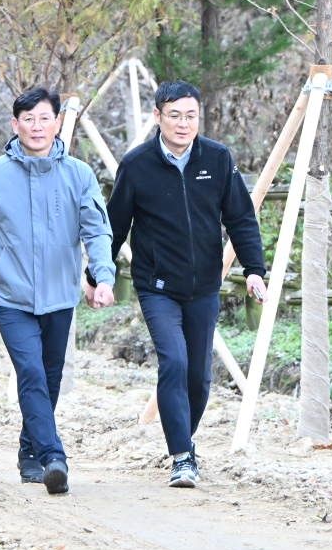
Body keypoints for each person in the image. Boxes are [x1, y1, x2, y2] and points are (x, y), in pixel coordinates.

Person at [108, 81, 267, 488]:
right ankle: (181, 456)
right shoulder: (137, 164)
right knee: (174, 362)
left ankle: (186, 443)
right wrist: (99, 276)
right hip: (157, 285)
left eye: (190, 115)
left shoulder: (217, 158)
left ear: (200, 116)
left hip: (204, 286)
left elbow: (241, 218)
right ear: (158, 116)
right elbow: (115, 225)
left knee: (198, 376)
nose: (183, 123)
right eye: (174, 115)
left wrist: (253, 268)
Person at [0, 87, 115, 495]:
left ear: (58, 122)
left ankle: (28, 451)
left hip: (60, 295)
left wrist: (104, 277)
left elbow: (96, 230)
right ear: (15, 125)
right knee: (30, 373)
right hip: (11, 297)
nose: (36, 126)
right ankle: (53, 457)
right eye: (28, 119)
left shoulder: (78, 174)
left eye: (44, 118)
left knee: (50, 376)